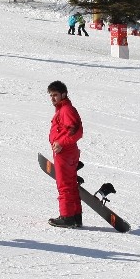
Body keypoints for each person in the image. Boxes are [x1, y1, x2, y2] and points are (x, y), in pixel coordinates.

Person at [47, 81, 83, 228]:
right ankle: (75, 217)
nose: (52, 98)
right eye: (51, 95)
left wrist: (61, 143)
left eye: (55, 95)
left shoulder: (66, 110)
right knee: (71, 184)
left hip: (65, 152)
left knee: (64, 185)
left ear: (63, 94)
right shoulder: (63, 109)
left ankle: (67, 217)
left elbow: (75, 131)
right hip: (68, 151)